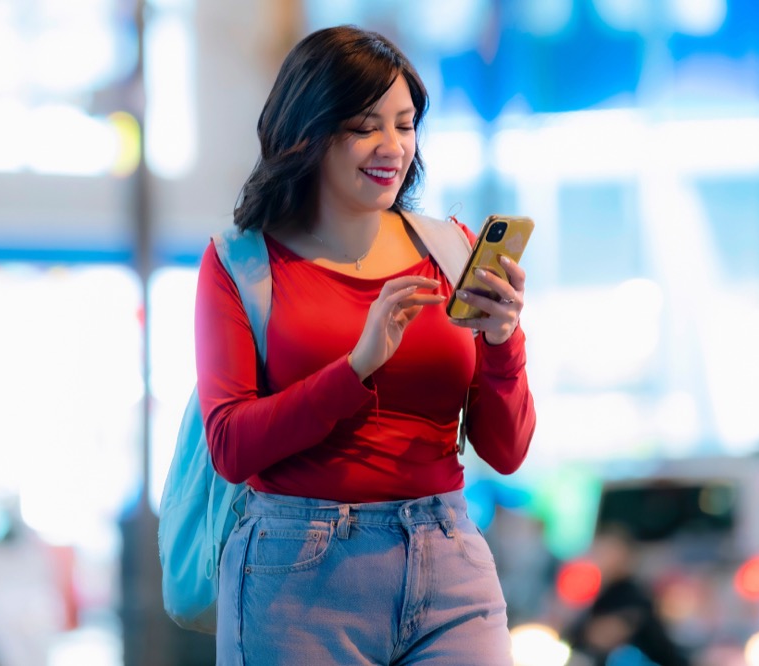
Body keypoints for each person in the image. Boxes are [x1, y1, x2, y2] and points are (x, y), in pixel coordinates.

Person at [194, 25, 536, 665]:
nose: (392, 147)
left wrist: (502, 342)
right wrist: (356, 367)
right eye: (364, 125)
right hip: (296, 580)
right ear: (310, 130)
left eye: (405, 125)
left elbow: (508, 450)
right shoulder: (241, 265)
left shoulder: (451, 249)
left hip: (449, 562)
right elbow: (230, 446)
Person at [564, 526, 690, 666]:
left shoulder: (632, 597)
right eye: (600, 550)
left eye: (610, 552)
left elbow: (601, 637)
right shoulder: (595, 589)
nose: (603, 557)